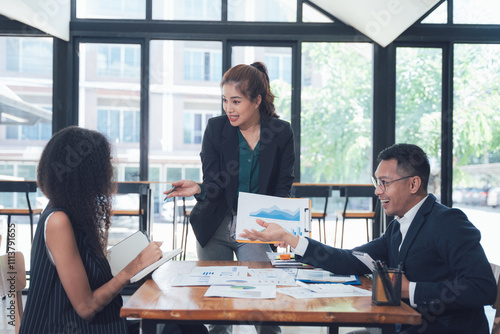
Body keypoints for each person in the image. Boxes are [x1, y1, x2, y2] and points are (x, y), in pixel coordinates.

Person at [239, 143, 497, 334]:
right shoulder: (397, 229)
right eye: (376, 182)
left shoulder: (448, 222)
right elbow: (350, 260)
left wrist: (410, 289)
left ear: (413, 184)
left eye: (384, 182)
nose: (377, 191)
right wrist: (290, 238)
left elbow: (483, 287)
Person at [21, 126, 207, 334]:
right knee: (186, 328)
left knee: (188, 325)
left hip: (96, 322)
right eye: (106, 163)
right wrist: (134, 267)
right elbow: (86, 308)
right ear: (86, 172)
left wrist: (135, 263)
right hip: (70, 327)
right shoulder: (58, 221)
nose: (110, 171)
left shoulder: (73, 213)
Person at [165, 62, 294, 334]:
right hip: (214, 224)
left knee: (264, 306)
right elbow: (213, 184)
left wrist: (280, 227)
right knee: (217, 310)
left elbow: (283, 187)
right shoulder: (216, 129)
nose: (228, 108)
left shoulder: (281, 132)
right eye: (225, 100)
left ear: (257, 100)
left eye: (236, 101)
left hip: (255, 228)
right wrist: (198, 188)